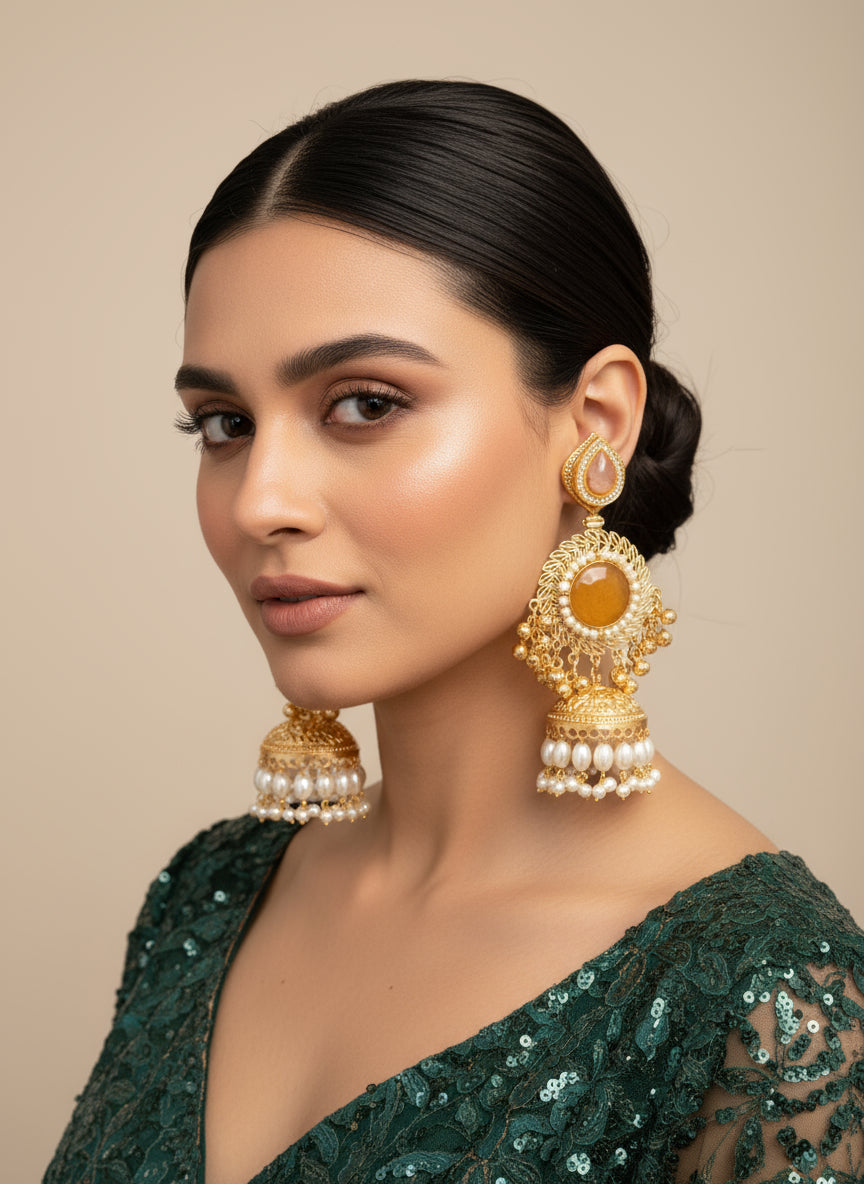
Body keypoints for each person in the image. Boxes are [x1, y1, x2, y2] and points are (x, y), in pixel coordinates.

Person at [45, 80, 863, 1184]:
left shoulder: (765, 997)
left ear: (596, 422)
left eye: (364, 402)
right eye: (225, 424)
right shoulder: (208, 895)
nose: (259, 501)